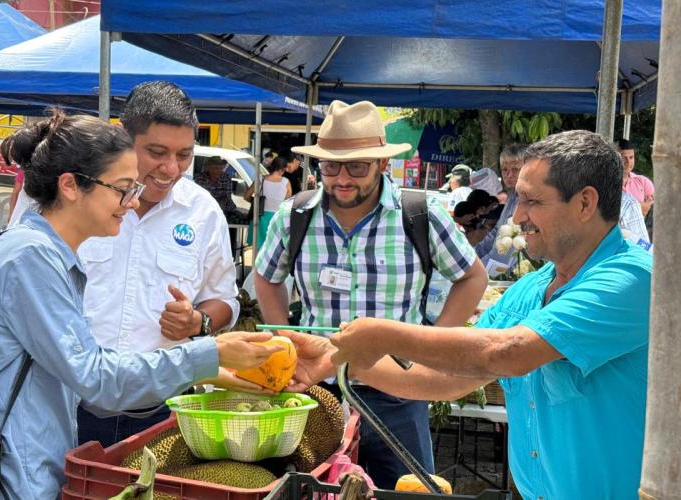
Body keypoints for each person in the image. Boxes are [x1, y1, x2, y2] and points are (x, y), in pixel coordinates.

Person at [283, 130, 652, 499]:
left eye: (531, 201)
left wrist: (381, 335)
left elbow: (509, 352)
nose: (518, 216)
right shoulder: (533, 287)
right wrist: (336, 359)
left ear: (585, 203)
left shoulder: (633, 278)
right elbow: (447, 377)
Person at [0, 110, 282, 499]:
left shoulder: (51, 255)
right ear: (71, 186)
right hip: (11, 477)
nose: (131, 203)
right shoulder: (29, 257)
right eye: (122, 189)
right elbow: (96, 378)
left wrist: (221, 367)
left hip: (34, 466)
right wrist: (210, 354)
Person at [253, 100, 487, 489]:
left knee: (405, 490)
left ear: (381, 164)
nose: (342, 178)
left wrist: (434, 343)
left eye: (357, 166)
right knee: (314, 491)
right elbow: (266, 277)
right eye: (331, 166)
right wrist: (282, 342)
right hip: (316, 390)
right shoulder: (294, 216)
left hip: (398, 390)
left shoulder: (420, 214)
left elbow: (472, 277)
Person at [77, 81, 250, 447]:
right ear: (122, 136)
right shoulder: (78, 198)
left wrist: (198, 321)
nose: (171, 168)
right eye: (156, 152)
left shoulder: (202, 212)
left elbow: (225, 299)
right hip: (69, 404)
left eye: (184, 155)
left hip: (162, 409)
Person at [474, 144, 526, 275]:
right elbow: (496, 232)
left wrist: (479, 268)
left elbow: (508, 248)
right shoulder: (512, 196)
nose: (509, 175)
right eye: (504, 170)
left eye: (515, 169)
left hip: (512, 272)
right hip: (497, 270)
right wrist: (472, 255)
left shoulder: (529, 200)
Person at [244, 155, 291, 250]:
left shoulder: (261, 179)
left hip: (260, 217)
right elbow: (287, 204)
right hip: (277, 219)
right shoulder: (286, 182)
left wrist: (256, 202)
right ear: (282, 169)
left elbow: (246, 196)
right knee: (274, 251)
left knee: (258, 252)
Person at [618, 139, 654, 216]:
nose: (628, 162)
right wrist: (643, 206)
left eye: (631, 157)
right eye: (623, 158)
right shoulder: (606, 181)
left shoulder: (643, 182)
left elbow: (654, 210)